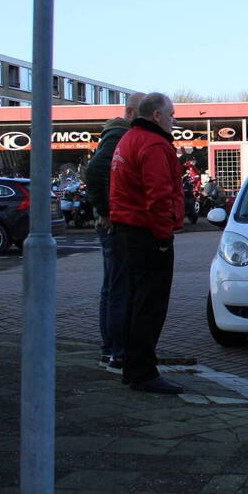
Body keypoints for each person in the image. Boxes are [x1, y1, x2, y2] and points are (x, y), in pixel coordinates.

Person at [109, 92, 185, 394]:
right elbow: (158, 196)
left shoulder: (128, 140)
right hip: (147, 233)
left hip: (128, 229)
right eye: (171, 114)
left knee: (135, 300)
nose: (174, 120)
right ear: (156, 115)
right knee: (150, 304)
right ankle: (143, 371)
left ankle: (133, 365)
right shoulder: (154, 145)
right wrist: (163, 237)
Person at [84, 92, 144, 372]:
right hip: (114, 226)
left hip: (111, 223)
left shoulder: (117, 133)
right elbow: (95, 171)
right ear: (131, 112)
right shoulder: (120, 134)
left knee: (112, 288)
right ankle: (115, 352)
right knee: (119, 288)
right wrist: (107, 212)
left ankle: (111, 350)